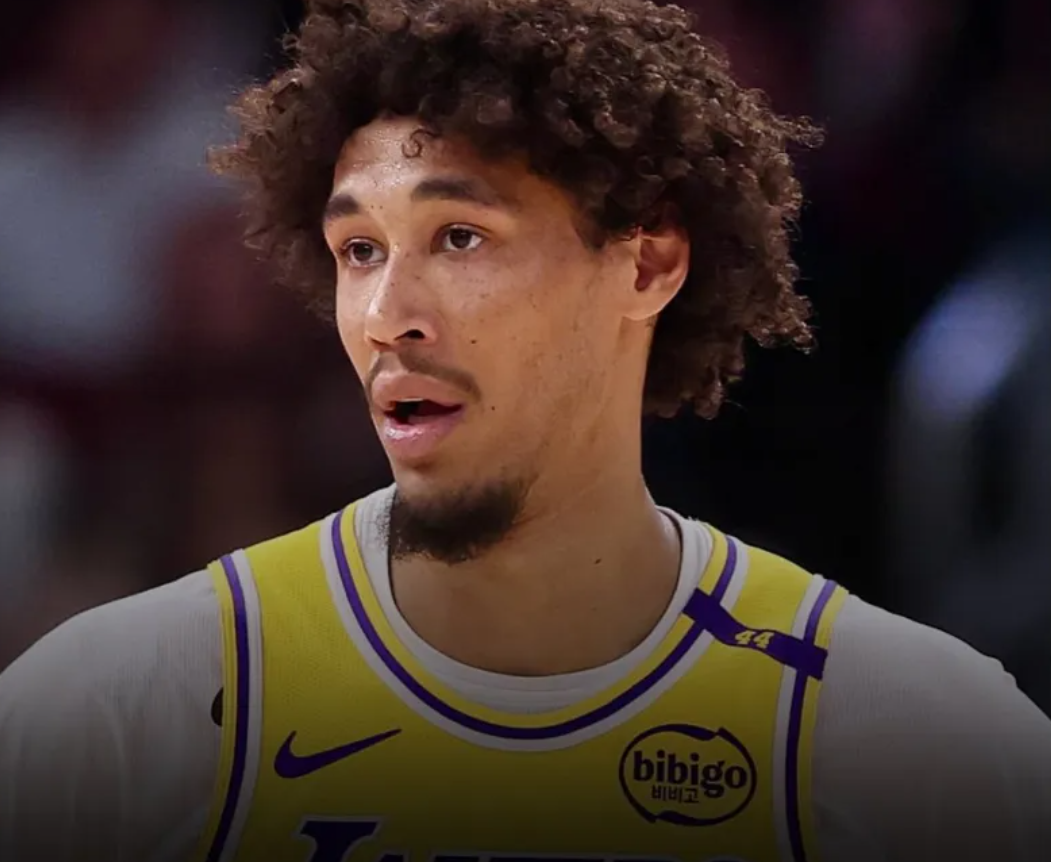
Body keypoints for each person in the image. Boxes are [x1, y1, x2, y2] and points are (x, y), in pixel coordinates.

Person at [0, 1, 1048, 861]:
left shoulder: (917, 739)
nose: (388, 313)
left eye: (460, 237)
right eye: (359, 250)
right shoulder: (113, 708)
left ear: (647, 264)